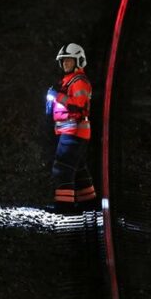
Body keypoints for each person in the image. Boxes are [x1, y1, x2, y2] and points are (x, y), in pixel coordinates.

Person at [46, 43, 96, 213]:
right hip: (73, 131)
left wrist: (57, 96)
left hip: (73, 131)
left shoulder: (79, 81)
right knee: (79, 168)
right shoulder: (69, 80)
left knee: (62, 168)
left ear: (78, 61)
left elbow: (78, 107)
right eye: (64, 61)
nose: (66, 63)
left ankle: (64, 206)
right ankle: (88, 203)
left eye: (69, 60)